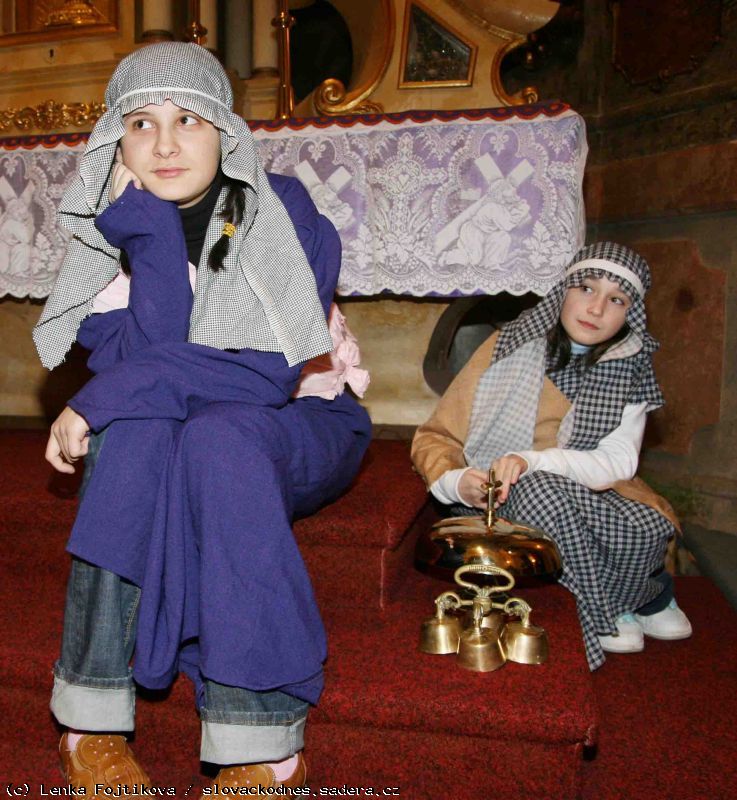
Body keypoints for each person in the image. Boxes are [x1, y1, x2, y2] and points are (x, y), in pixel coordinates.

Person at [33, 42, 371, 795]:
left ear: (225, 130)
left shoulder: (279, 208)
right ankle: (89, 718)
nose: (163, 143)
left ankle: (261, 739)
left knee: (216, 435)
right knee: (136, 430)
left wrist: (97, 399)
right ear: (115, 143)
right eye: (140, 124)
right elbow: (147, 370)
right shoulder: (106, 236)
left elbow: (262, 373)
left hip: (299, 420)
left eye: (187, 119)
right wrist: (150, 233)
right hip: (181, 426)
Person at [411, 242, 692, 670]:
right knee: (541, 493)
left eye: (616, 299)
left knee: (648, 525)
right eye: (586, 288)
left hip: (591, 485)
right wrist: (458, 481)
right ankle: (605, 613)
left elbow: (618, 464)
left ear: (630, 313)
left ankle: (647, 594)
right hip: (504, 493)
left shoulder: (631, 368)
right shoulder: (505, 346)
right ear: (563, 290)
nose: (596, 309)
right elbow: (435, 437)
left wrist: (534, 459)